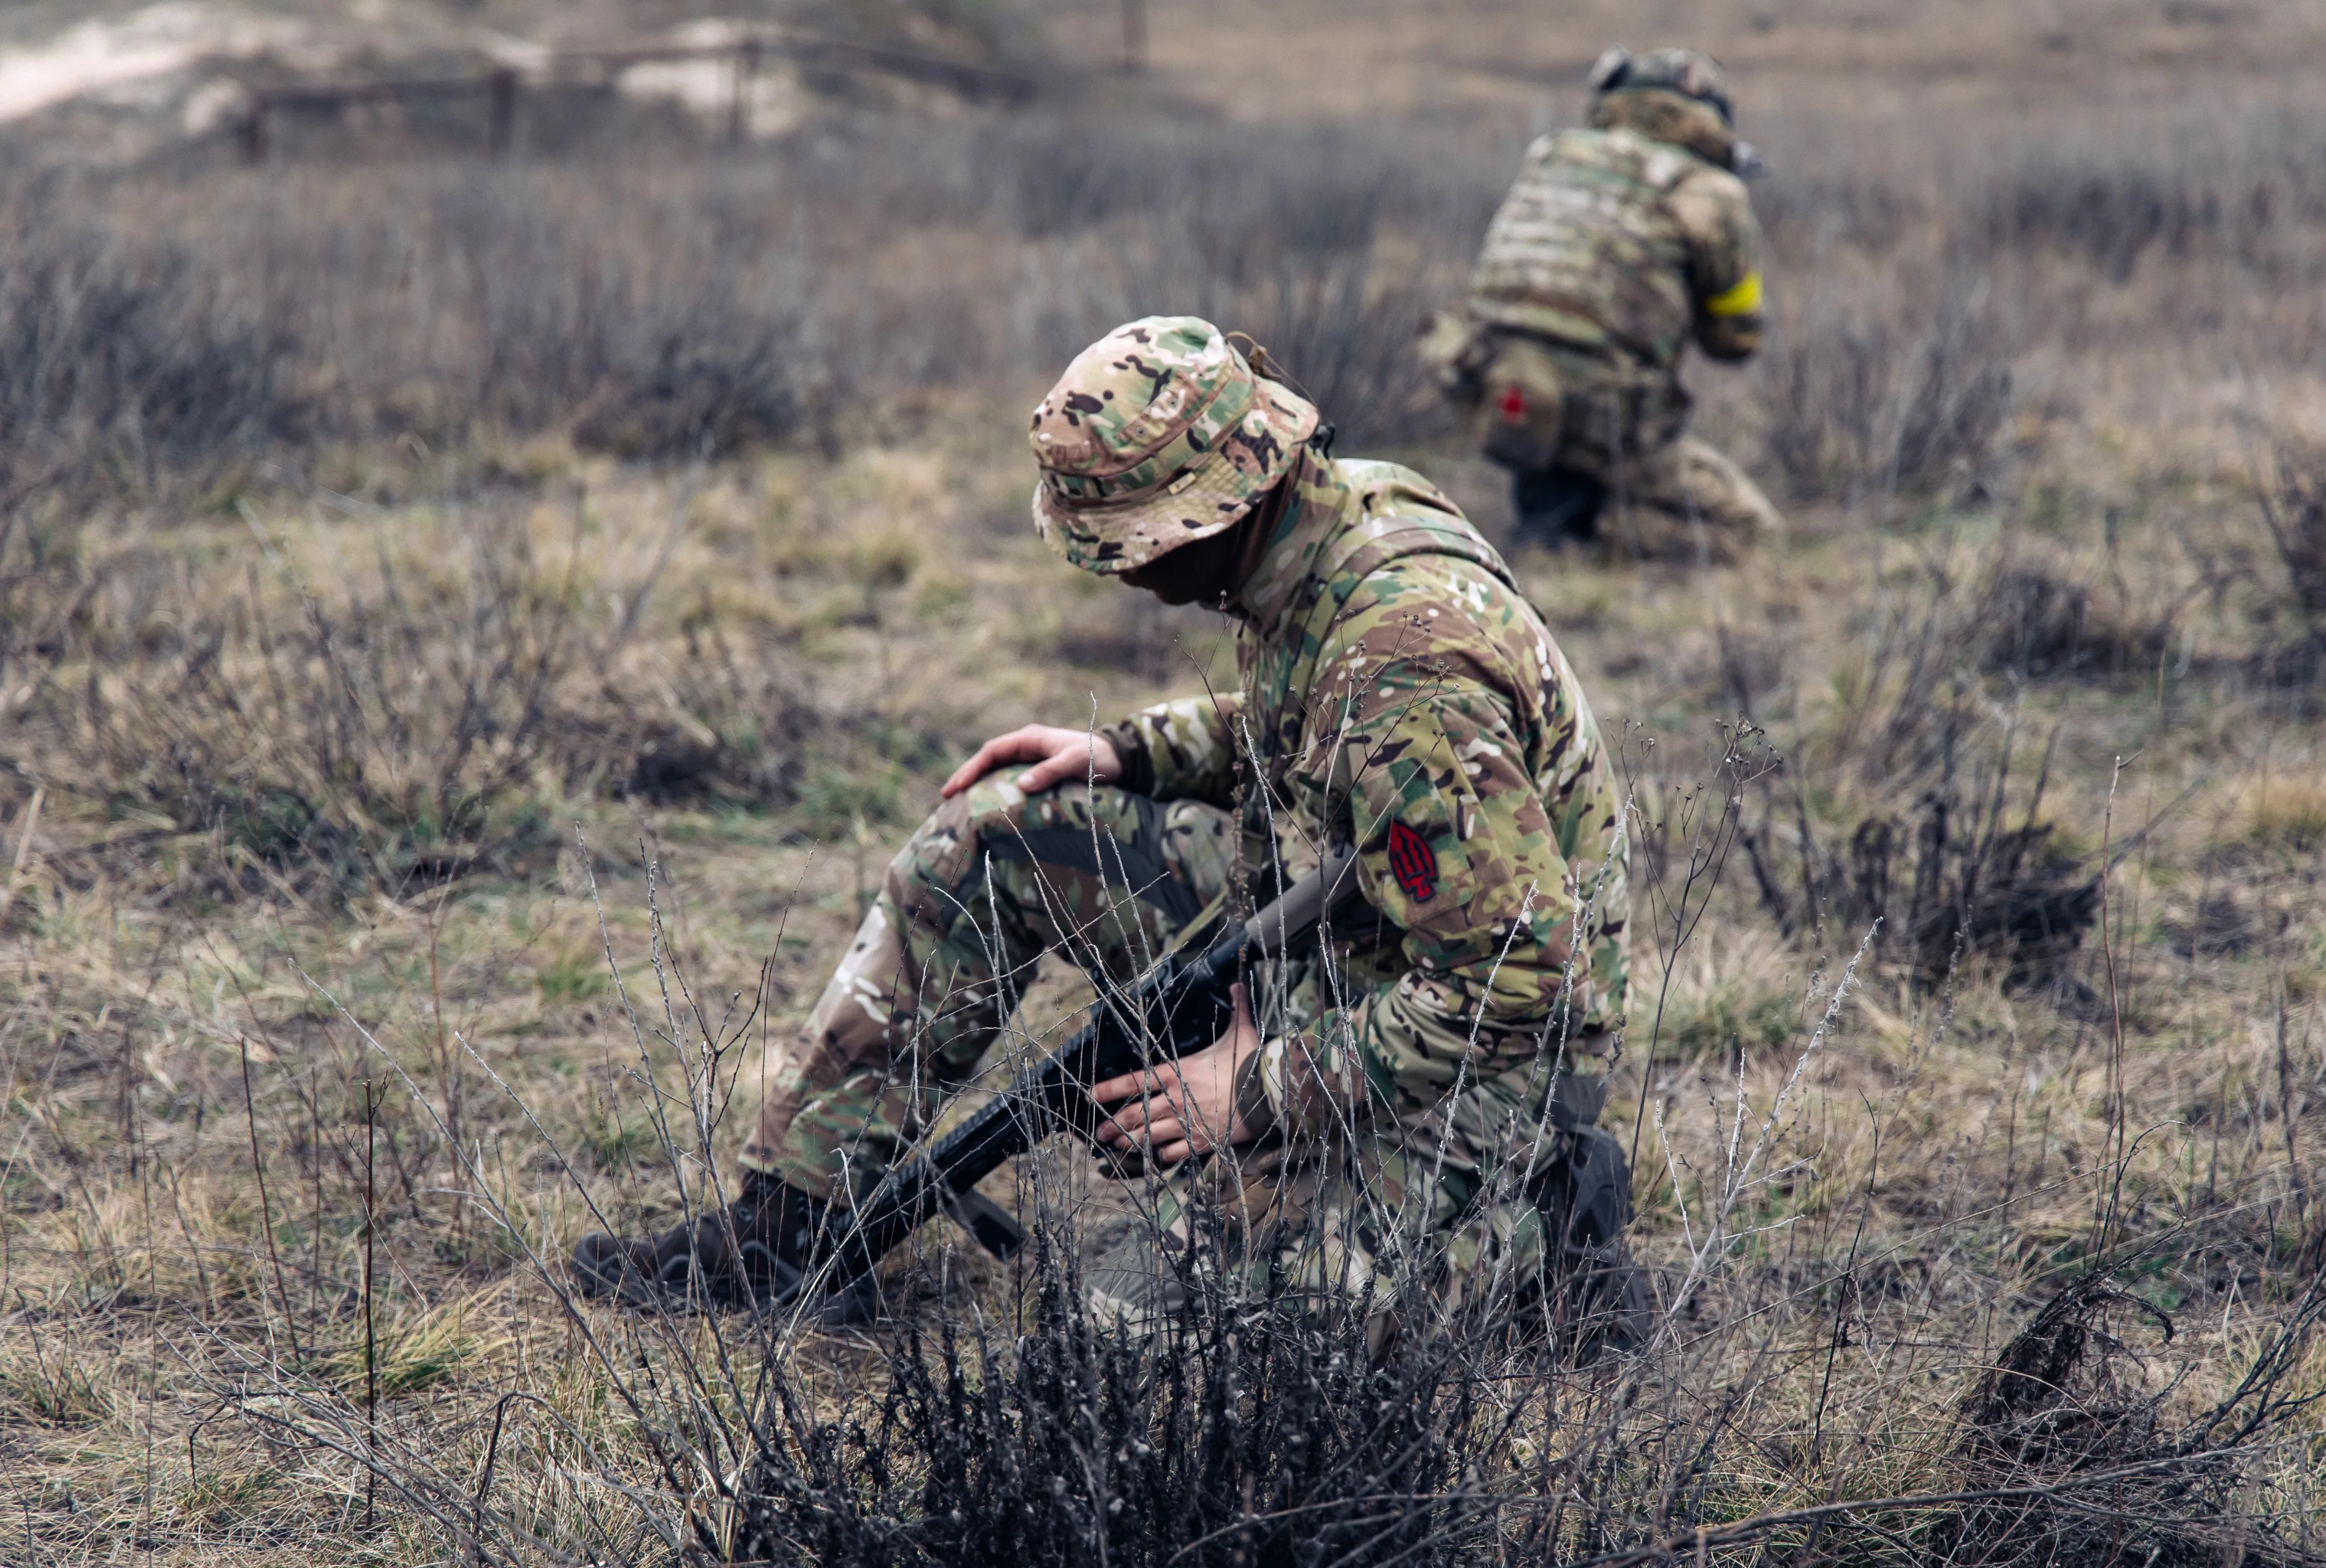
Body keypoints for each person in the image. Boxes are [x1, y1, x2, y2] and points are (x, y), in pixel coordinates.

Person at [572, 317, 1637, 1347]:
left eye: (1124, 544)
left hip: (1489, 1055)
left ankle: (1542, 1223)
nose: (1118, 572)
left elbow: (1520, 980)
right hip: (1346, 938)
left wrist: (1258, 1091)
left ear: (1214, 509)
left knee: (1140, 1325)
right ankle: (783, 1227)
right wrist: (1133, 751)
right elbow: (1318, 737)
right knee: (994, 838)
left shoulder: (1407, 661)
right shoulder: (1322, 523)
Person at [1422, 45, 1783, 562]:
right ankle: (1602, 535)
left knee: (1559, 415)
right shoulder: (1711, 190)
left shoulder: (1552, 153)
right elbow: (1736, 338)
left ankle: (1554, 521)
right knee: (1752, 535)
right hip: (1601, 412)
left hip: (1490, 384)